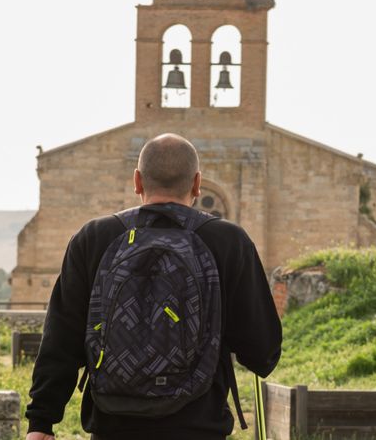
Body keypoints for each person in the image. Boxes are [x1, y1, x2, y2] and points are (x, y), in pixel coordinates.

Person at [25, 133, 283, 440]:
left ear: (137, 181)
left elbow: (61, 338)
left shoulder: (94, 237)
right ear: (197, 184)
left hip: (114, 427)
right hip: (199, 427)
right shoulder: (228, 242)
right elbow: (262, 351)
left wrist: (41, 421)